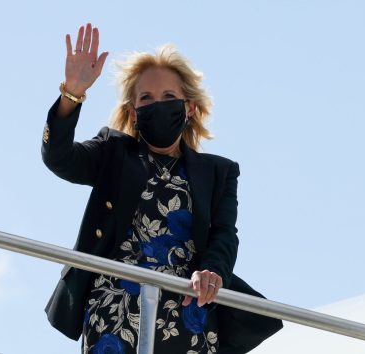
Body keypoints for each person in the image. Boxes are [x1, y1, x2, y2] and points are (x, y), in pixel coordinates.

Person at [42, 23, 282, 353]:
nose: (159, 104)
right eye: (147, 98)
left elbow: (224, 234)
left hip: (186, 312)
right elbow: (60, 157)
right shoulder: (112, 152)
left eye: (169, 96)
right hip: (114, 311)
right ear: (133, 113)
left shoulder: (219, 172)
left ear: (189, 108)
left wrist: (213, 271)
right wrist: (73, 92)